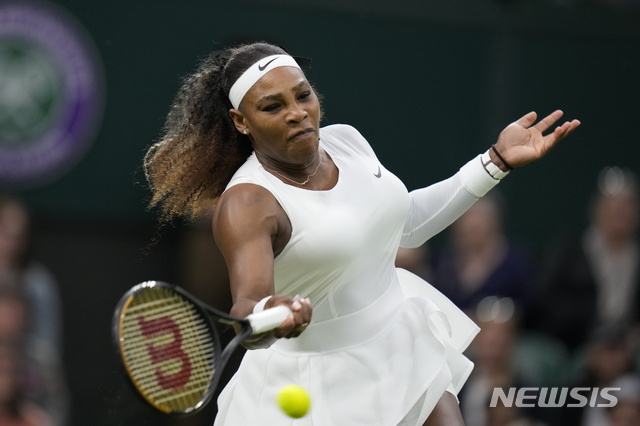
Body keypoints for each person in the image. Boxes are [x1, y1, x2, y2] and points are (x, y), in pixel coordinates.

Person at [142, 41, 580, 425]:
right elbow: (249, 303)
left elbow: (404, 226)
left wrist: (495, 161)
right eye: (273, 107)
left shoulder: (346, 141)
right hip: (315, 385)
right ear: (242, 122)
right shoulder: (247, 203)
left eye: (303, 95)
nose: (297, 113)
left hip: (399, 342)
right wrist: (273, 314)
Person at [530, 167, 639, 353]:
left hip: (628, 350)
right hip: (576, 347)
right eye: (613, 207)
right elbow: (544, 304)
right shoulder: (570, 253)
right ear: (598, 209)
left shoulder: (635, 256)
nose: (620, 214)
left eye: (626, 207)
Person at [430, 192, 535, 318]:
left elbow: (527, 310)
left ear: (496, 222)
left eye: (481, 217)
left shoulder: (517, 265)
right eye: (467, 217)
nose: (473, 224)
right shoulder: (440, 264)